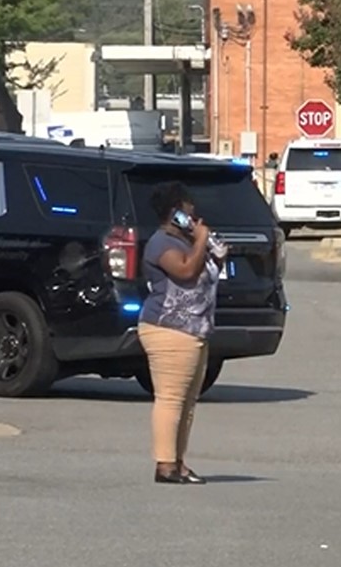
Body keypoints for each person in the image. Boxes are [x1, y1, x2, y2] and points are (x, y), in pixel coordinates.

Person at [137, 181, 227, 485]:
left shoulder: (189, 241)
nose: (194, 215)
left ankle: (178, 462)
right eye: (189, 210)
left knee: (188, 401)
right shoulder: (162, 243)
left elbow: (212, 267)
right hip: (168, 329)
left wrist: (208, 244)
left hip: (195, 330)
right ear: (175, 213)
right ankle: (164, 465)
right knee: (171, 398)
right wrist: (200, 240)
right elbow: (186, 271)